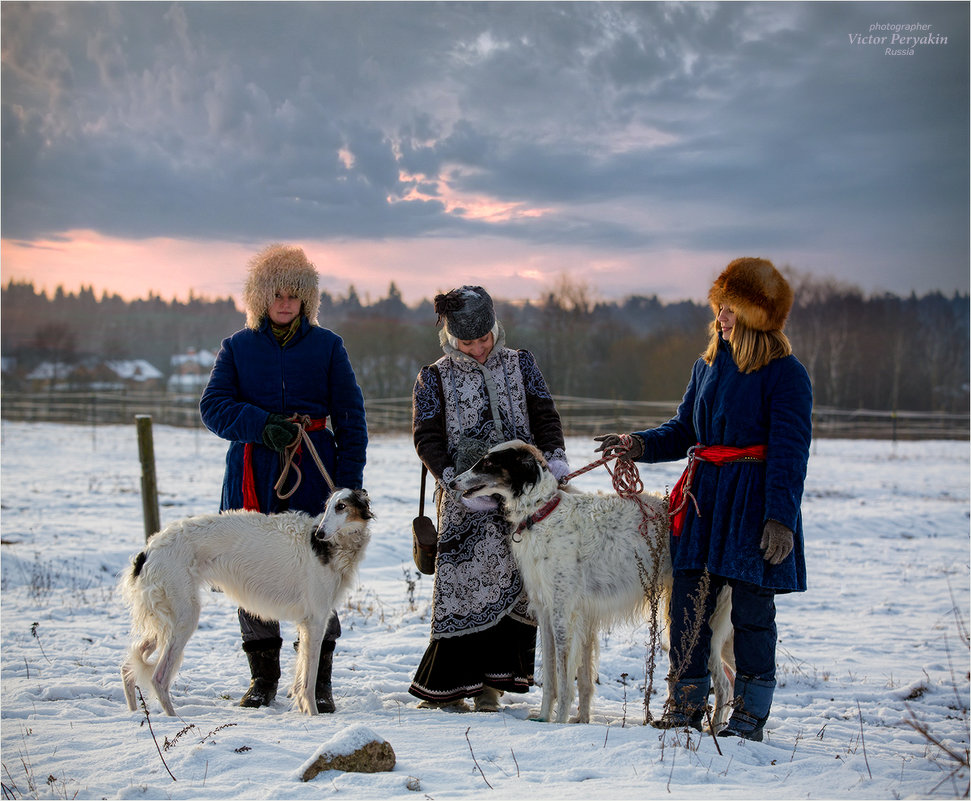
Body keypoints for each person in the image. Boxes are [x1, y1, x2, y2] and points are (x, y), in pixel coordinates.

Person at [595, 257, 812, 741]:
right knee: (688, 603)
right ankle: (685, 704)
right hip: (704, 499)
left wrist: (780, 518)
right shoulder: (707, 365)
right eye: (720, 307)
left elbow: (790, 453)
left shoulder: (786, 374)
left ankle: (750, 715)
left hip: (753, 501)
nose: (722, 317)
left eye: (732, 308)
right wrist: (639, 444)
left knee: (752, 611)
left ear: (758, 314)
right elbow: (683, 430)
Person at [200, 244, 368, 713]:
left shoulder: (328, 346)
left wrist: (347, 489)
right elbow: (212, 408)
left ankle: (318, 681)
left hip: (315, 473)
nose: (286, 302)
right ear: (260, 295)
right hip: (251, 473)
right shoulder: (237, 347)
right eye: (277, 292)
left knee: (320, 576)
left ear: (307, 298)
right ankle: (264, 679)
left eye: (295, 294)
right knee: (251, 572)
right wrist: (261, 424)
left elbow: (351, 419)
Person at [410, 285, 570, 712]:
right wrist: (451, 481)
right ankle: (450, 686)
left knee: (520, 585)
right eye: (468, 343)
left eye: (484, 340)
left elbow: (544, 414)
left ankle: (492, 686)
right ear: (450, 337)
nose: (478, 350)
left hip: (523, 501)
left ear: (495, 330)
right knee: (463, 588)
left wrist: (554, 459)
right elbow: (427, 438)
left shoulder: (522, 364)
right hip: (467, 499)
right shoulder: (433, 377)